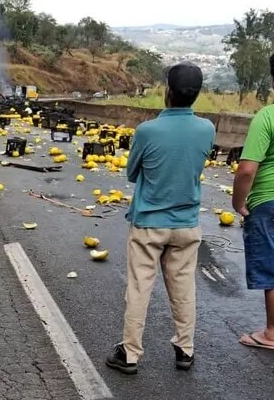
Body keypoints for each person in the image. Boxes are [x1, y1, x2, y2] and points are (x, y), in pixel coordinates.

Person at [106, 61, 215, 375]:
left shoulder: (147, 130)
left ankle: (129, 354)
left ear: (167, 91)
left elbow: (131, 173)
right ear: (197, 94)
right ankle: (185, 350)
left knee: (140, 287)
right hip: (187, 224)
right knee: (183, 288)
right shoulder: (207, 128)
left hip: (149, 224)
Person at [233, 53, 274, 350]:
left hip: (268, 202)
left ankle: (271, 333)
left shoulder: (267, 117)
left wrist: (239, 202)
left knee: (271, 266)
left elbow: (247, 168)